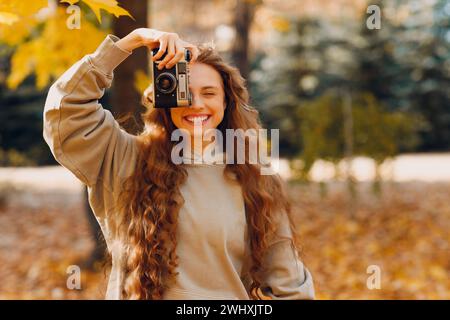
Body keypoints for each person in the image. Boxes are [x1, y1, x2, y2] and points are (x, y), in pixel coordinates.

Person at [43, 28, 315, 300]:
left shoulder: (255, 175)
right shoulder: (127, 158)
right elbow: (65, 111)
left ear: (226, 102)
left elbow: (289, 282)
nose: (196, 104)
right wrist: (131, 41)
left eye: (209, 93)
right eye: (183, 93)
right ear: (165, 100)